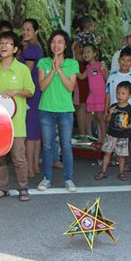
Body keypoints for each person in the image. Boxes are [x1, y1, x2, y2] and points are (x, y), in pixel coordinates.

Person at [0, 32, 34, 201]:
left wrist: (16, 91)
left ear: (15, 48)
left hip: (16, 123)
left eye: (8, 43)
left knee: (18, 157)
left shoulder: (22, 69)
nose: (3, 46)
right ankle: (2, 188)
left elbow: (30, 91)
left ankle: (23, 188)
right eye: (1, 43)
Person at [37, 30, 79, 192]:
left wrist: (60, 69)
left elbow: (70, 87)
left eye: (60, 41)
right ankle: (46, 178)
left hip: (65, 110)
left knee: (66, 145)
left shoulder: (72, 63)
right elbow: (42, 86)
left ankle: (68, 179)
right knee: (47, 146)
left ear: (65, 45)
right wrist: (53, 69)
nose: (56, 45)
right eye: (53, 41)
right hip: (46, 109)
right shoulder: (43, 62)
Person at [95, 82, 131, 181]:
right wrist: (109, 113)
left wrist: (127, 127)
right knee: (107, 153)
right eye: (118, 93)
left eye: (123, 93)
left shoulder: (130, 109)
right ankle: (103, 171)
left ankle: (121, 172)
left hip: (123, 136)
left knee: (121, 156)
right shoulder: (114, 106)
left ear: (129, 95)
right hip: (111, 135)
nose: (120, 96)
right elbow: (107, 120)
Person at [18, 19, 44, 178]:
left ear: (36, 32)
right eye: (24, 29)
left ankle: (29, 168)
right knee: (35, 133)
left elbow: (26, 72)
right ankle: (34, 166)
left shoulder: (31, 50)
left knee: (30, 133)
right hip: (36, 93)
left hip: (29, 93)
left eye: (29, 30)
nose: (25, 32)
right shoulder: (36, 48)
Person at [78, 43, 107, 143]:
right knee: (95, 117)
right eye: (84, 53)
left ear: (95, 53)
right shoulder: (88, 67)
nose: (86, 54)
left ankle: (104, 139)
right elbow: (81, 76)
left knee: (100, 117)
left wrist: (104, 69)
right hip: (92, 95)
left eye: (88, 52)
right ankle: (98, 139)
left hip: (100, 95)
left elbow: (106, 78)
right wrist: (73, 69)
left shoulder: (99, 65)